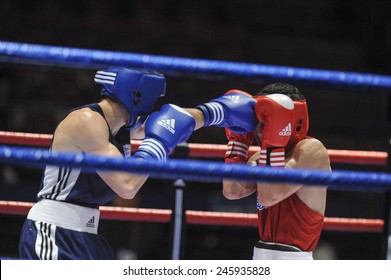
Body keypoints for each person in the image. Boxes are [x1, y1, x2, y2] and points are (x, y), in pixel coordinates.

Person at [18, 66, 257, 260]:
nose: (154, 105)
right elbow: (127, 185)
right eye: (153, 98)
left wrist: (216, 112)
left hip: (86, 233)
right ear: (138, 94)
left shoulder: (120, 128)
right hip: (54, 231)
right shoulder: (87, 121)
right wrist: (158, 144)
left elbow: (173, 121)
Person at [222, 83, 331, 260]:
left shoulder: (311, 150)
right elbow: (232, 190)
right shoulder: (261, 156)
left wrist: (273, 140)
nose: (260, 130)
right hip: (261, 254)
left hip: (294, 260)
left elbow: (269, 196)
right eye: (259, 122)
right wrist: (238, 143)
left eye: (269, 122)